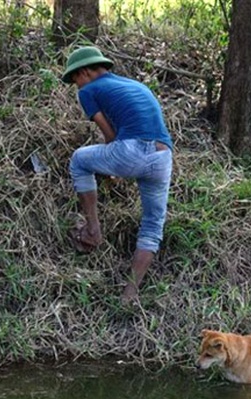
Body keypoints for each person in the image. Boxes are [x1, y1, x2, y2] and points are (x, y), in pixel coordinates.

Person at [62, 46, 173, 304]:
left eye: (75, 79)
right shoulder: (133, 85)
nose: (76, 86)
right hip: (163, 155)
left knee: (79, 160)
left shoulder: (88, 90)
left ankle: (92, 232)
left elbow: (109, 135)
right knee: (153, 224)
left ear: (86, 72)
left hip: (132, 150)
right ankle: (130, 292)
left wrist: (114, 169)